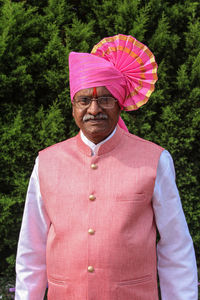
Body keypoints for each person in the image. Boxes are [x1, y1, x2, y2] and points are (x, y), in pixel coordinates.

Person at [15, 34, 198, 300]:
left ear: (119, 103)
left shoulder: (155, 159)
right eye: (84, 100)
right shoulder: (47, 161)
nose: (94, 109)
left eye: (105, 99)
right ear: (73, 105)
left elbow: (176, 246)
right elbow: (31, 248)